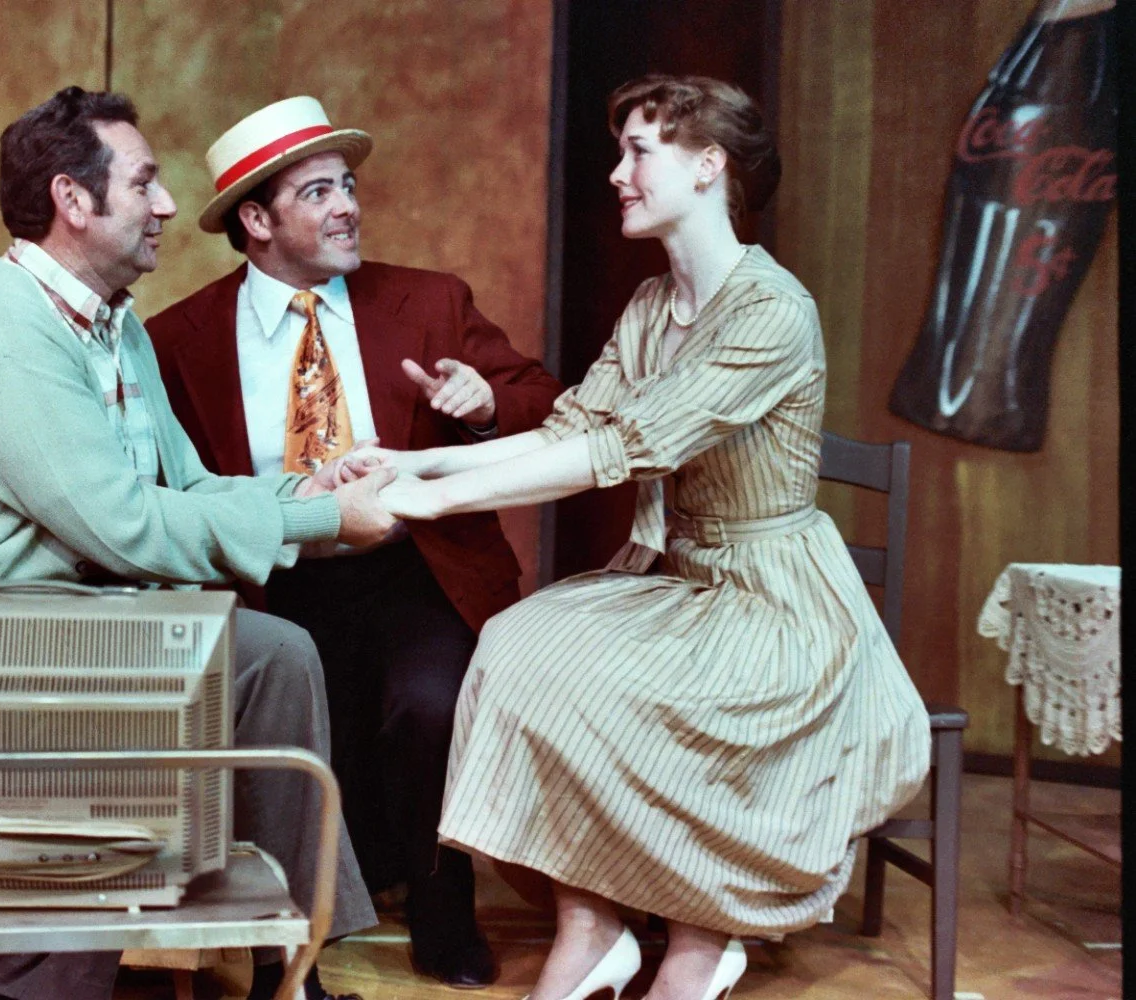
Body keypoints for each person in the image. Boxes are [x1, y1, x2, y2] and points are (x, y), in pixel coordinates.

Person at [361, 74, 932, 1000]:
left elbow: (628, 446)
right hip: (679, 576)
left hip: (777, 600)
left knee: (652, 690)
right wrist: (410, 468)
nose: (617, 173)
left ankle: (703, 946)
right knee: (519, 647)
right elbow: (569, 430)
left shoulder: (773, 312)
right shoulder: (650, 307)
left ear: (709, 167)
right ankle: (593, 931)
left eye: (639, 152)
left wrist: (436, 504)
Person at [0, 86, 393, 1000]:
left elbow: (181, 487)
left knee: (273, 656)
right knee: (133, 690)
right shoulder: (0, 331)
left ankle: (288, 964)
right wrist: (318, 525)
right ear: (74, 200)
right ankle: (35, 987)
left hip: (59, 622)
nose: (168, 207)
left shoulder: (113, 321)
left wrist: (309, 487)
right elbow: (128, 527)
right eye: (144, 183)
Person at [145, 96, 565, 988]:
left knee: (429, 703)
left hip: (417, 568)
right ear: (256, 222)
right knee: (295, 719)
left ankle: (444, 901)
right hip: (277, 576)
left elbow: (545, 399)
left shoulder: (431, 301)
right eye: (318, 192)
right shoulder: (178, 340)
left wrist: (484, 405)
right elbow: (164, 490)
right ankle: (301, 912)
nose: (347, 207)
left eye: (348, 185)